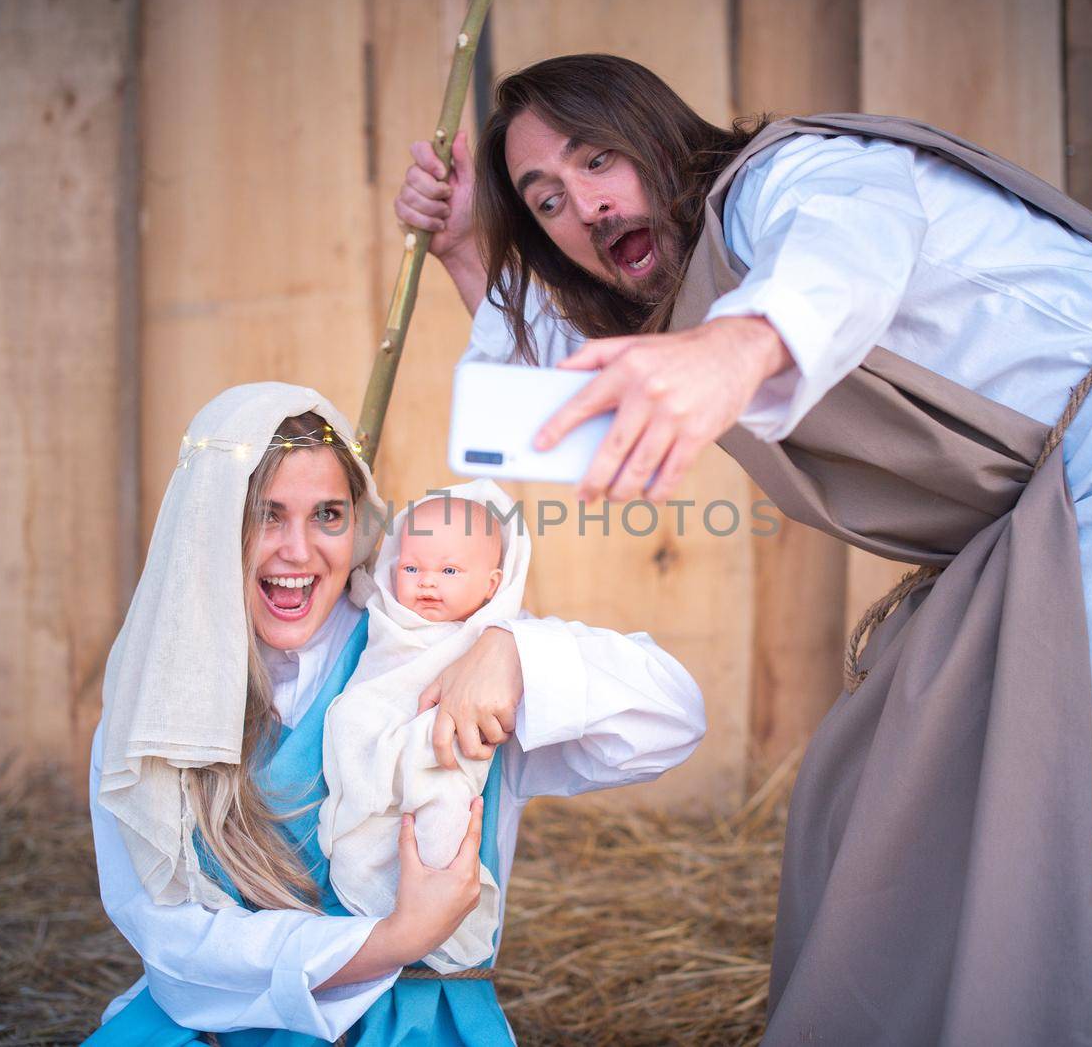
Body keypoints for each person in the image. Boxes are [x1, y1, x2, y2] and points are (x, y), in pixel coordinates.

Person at [396, 53, 1092, 1046]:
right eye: (544, 200)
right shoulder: (690, 295)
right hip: (1054, 511)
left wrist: (740, 347)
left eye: (597, 162)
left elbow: (848, 245)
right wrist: (468, 247)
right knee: (887, 791)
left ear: (658, 135)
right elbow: (556, 403)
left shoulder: (794, 178)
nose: (582, 207)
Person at [86, 382, 706, 1045]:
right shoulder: (156, 708)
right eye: (266, 516)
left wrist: (516, 652)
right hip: (216, 1030)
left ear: (359, 522)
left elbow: (672, 721)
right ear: (211, 528)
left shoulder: (433, 648)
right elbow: (175, 944)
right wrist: (394, 938)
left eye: (328, 514)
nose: (299, 551)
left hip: (413, 1026)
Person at [319, 482, 529, 974]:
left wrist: (506, 649)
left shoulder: (487, 639)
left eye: (450, 570)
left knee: (445, 802)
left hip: (439, 758)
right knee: (351, 719)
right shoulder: (387, 614)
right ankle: (378, 895)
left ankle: (434, 892)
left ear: (492, 585)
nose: (427, 582)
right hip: (372, 737)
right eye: (413, 568)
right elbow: (364, 590)